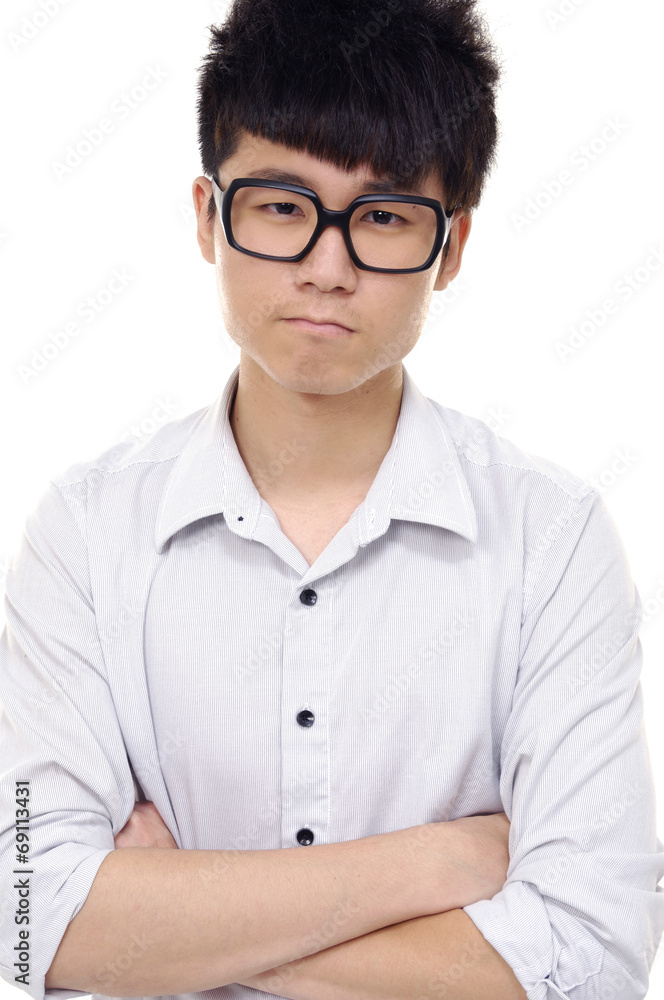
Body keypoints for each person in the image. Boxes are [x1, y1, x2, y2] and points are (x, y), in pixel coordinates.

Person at [1, 1, 663, 999]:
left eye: (383, 217)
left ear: (451, 247)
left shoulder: (550, 538)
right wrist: (435, 865)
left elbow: (593, 956)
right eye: (281, 206)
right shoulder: (88, 530)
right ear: (206, 216)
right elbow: (26, 919)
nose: (327, 268)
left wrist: (169, 916)